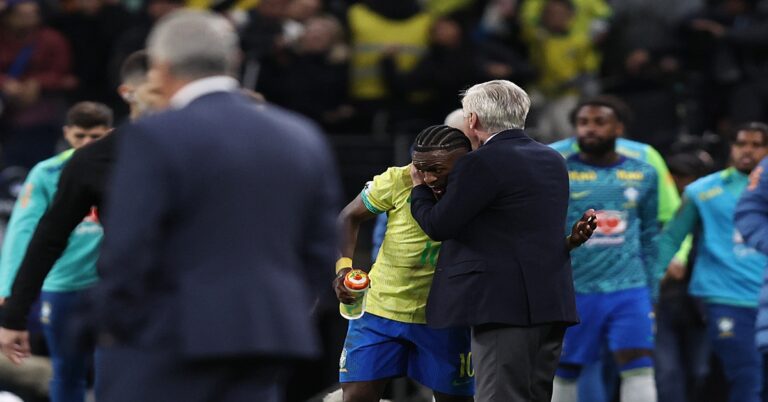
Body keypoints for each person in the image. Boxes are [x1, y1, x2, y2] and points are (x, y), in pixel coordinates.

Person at [89, 10, 339, 402]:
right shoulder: (302, 136)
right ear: (234, 60)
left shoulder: (154, 136)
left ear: (161, 67)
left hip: (168, 342)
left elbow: (127, 252)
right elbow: (321, 251)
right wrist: (280, 312)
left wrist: (117, 327)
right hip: (266, 341)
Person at [336, 124, 595, 402]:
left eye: (437, 169)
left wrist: (568, 242)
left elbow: (516, 244)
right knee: (356, 397)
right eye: (420, 168)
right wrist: (343, 269)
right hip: (379, 311)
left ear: (464, 163)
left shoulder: (481, 190)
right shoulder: (397, 180)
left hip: (444, 317)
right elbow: (348, 217)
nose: (428, 178)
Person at [408, 80, 578, 402]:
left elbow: (439, 225)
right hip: (550, 299)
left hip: (501, 306)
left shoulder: (480, 162)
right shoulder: (553, 158)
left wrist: (419, 190)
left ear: (472, 120)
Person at [0, 50, 161, 363]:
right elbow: (42, 234)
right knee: (71, 374)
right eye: (155, 91)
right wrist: (13, 309)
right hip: (113, 301)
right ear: (128, 93)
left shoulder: (205, 153)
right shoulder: (81, 163)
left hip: (191, 305)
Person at [0, 101, 112, 402]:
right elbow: (23, 230)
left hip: (106, 285)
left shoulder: (123, 167)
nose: (86, 143)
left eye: (95, 137)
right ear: (66, 133)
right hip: (62, 285)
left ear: (109, 133)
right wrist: (8, 288)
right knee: (66, 370)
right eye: (80, 136)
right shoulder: (47, 172)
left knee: (112, 370)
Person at [551, 98, 659, 402]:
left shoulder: (644, 173)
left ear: (619, 128)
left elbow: (650, 234)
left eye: (600, 122)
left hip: (630, 288)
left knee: (639, 364)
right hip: (576, 288)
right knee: (565, 368)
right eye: (583, 123)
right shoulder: (558, 171)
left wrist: (652, 290)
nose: (590, 129)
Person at [655, 122, 768, 402]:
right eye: (741, 144)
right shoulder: (702, 191)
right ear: (731, 147)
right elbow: (671, 239)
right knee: (747, 376)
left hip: (763, 296)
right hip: (725, 297)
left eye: (757, 145)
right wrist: (649, 286)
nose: (747, 151)